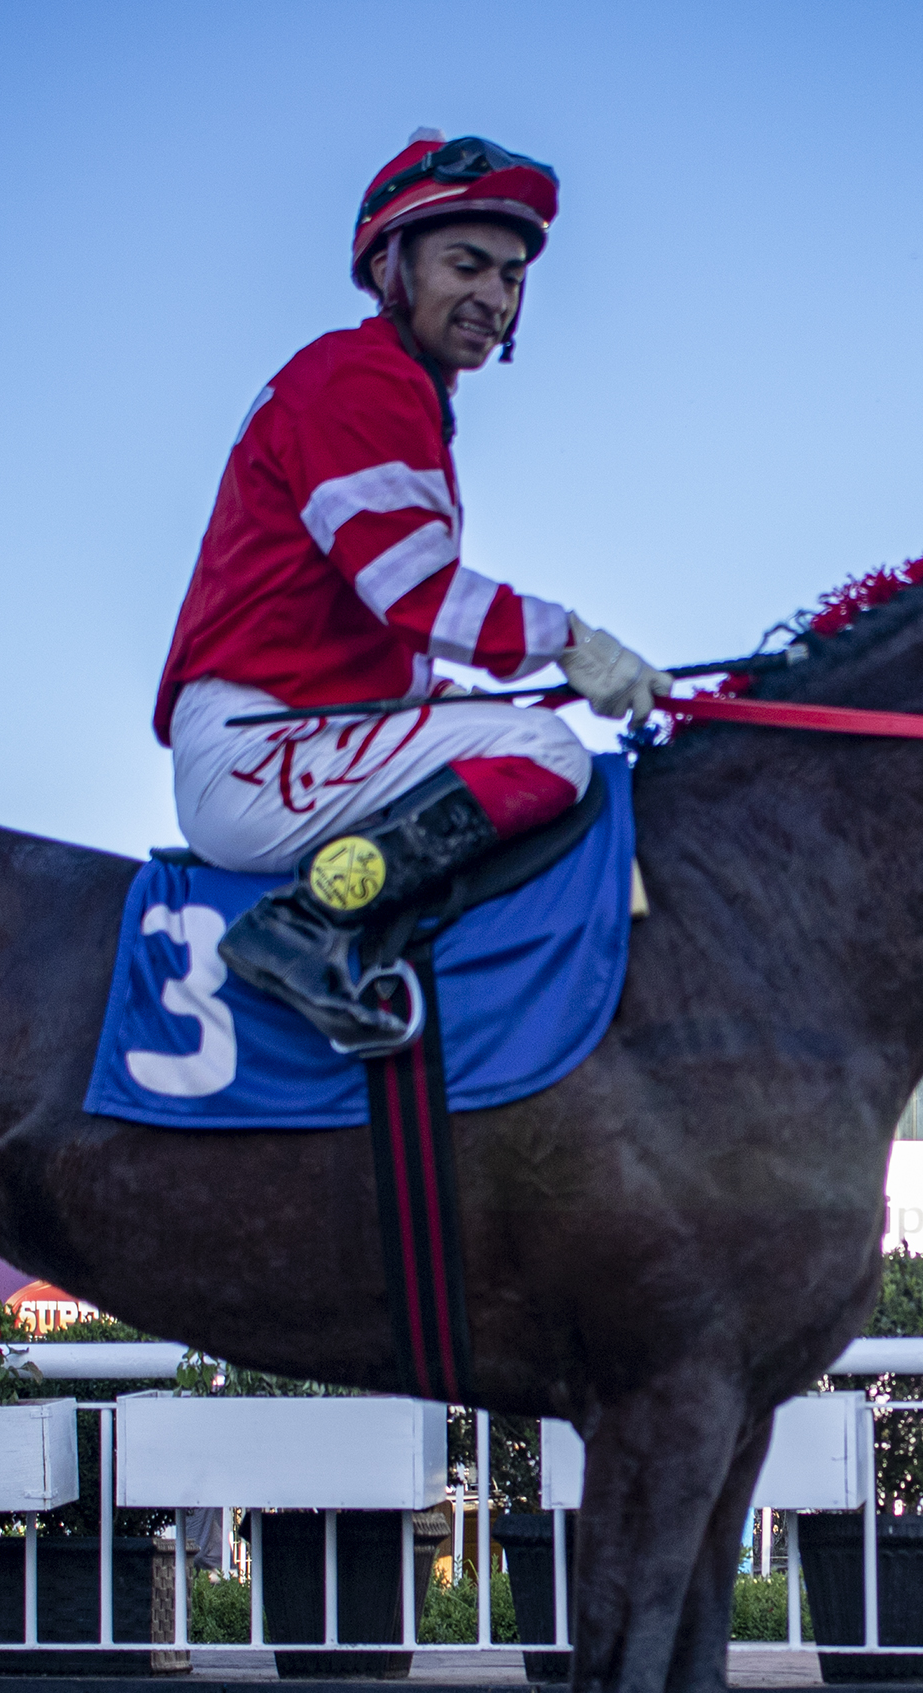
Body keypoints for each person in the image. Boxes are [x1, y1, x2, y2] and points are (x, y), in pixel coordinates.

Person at [156, 131, 672, 1055]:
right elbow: (419, 598)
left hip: (288, 728)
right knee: (548, 755)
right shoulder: (358, 379)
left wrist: (457, 691)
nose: (495, 298)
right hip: (261, 745)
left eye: (511, 277)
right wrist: (572, 642)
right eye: (466, 266)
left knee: (506, 730)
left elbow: (379, 630)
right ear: (389, 269)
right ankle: (302, 924)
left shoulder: (389, 389)